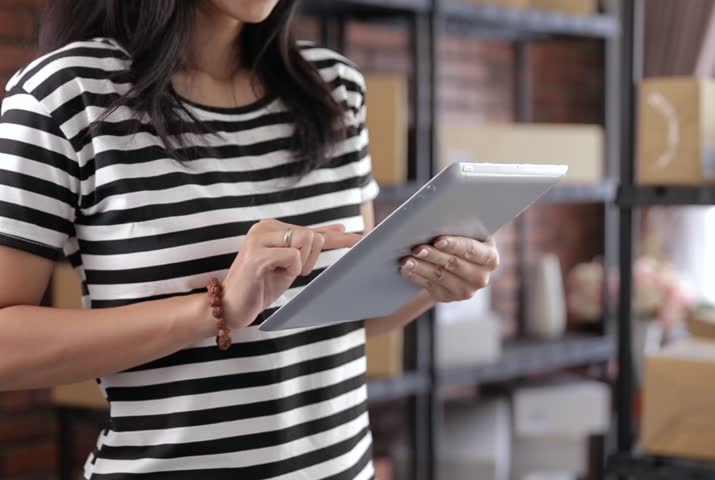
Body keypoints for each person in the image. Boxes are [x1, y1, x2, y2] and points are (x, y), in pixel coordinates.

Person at [0, 0, 500, 478]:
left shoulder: (335, 89)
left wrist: (437, 276)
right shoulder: (65, 95)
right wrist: (214, 309)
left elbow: (343, 319)